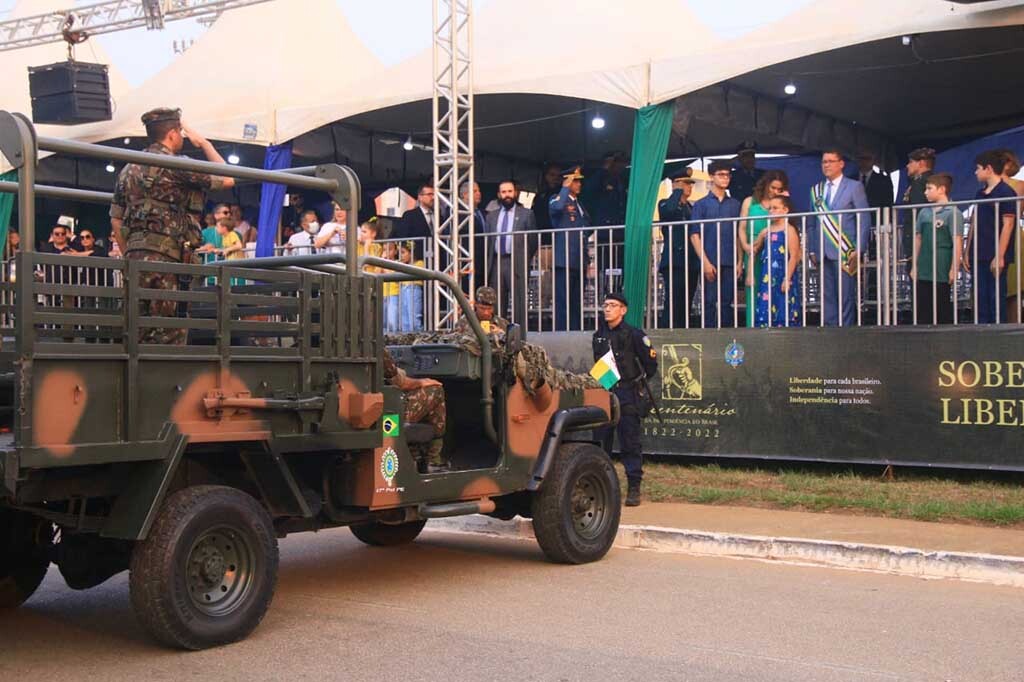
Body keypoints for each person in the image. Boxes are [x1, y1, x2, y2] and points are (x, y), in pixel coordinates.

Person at [109, 107, 234, 344]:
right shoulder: (177, 165)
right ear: (173, 134)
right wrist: (204, 143)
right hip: (167, 260)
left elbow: (116, 217)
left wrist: (130, 253)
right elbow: (228, 177)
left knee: (136, 332)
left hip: (134, 258)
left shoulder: (128, 169)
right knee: (169, 331)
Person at [592, 292, 657, 507]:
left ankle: (634, 488)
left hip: (629, 394)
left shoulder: (635, 335)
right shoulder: (598, 335)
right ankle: (602, 488)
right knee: (601, 442)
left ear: (623, 310)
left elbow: (651, 365)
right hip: (606, 392)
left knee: (630, 442)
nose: (607, 309)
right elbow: (599, 365)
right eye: (605, 305)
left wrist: (635, 383)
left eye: (613, 305)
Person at [807, 149, 870, 327]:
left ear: (841, 164)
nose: (826, 165)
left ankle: (846, 332)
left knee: (846, 295)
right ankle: (830, 332)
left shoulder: (854, 186)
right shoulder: (816, 190)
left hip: (846, 251)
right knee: (826, 297)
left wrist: (859, 248)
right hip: (821, 251)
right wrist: (812, 248)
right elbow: (811, 223)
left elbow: (864, 219)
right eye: (824, 162)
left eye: (830, 161)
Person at [964, 150, 1017, 324]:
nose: (975, 172)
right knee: (980, 300)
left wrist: (1000, 255)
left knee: (996, 299)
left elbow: (1008, 224)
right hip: (978, 252)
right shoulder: (980, 194)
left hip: (994, 254)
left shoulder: (1006, 192)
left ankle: (997, 342)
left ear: (988, 169)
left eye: (978, 168)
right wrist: (966, 251)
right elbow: (973, 223)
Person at [690, 160, 742, 328]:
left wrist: (740, 261)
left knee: (727, 302)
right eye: (721, 174)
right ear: (711, 177)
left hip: (729, 259)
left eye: (728, 175)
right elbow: (694, 235)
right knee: (709, 302)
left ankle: (727, 339)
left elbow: (739, 234)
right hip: (709, 259)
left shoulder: (735, 204)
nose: (725, 178)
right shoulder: (701, 204)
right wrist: (705, 262)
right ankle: (709, 340)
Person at [382, 348, 447, 472]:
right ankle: (432, 460)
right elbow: (399, 382)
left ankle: (413, 455)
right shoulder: (372, 343)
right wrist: (421, 382)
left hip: (367, 411)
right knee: (436, 389)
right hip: (387, 417)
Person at [911, 173, 962, 325]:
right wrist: (914, 265)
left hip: (941, 266)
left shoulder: (953, 212)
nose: (925, 192)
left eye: (929, 188)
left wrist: (954, 268)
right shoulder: (924, 212)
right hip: (924, 266)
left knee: (942, 306)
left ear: (942, 189)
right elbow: (918, 238)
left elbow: (957, 241)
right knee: (923, 307)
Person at [739, 170, 789, 327]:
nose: (775, 192)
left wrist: (786, 199)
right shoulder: (750, 202)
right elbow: (741, 228)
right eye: (773, 187)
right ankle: (752, 328)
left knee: (773, 292)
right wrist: (745, 247)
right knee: (752, 290)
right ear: (766, 184)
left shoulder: (781, 204)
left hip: (773, 252)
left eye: (779, 189)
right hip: (752, 251)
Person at [485, 180, 536, 323]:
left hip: (516, 261)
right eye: (503, 192)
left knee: (519, 302)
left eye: (509, 191)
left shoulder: (526, 214)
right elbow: (488, 243)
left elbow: (532, 241)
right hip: (497, 262)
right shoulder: (491, 216)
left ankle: (520, 336)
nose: (507, 195)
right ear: (499, 195)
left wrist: (523, 258)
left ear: (515, 193)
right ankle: (499, 336)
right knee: (497, 302)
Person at [549, 166, 590, 330]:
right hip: (564, 259)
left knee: (576, 300)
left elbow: (587, 223)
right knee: (563, 300)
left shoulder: (579, 205)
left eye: (579, 181)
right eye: (575, 181)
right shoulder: (556, 199)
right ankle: (561, 332)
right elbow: (557, 208)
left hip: (578, 259)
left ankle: (575, 330)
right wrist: (565, 188)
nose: (579, 184)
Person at [752, 194, 802, 328]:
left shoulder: (789, 229)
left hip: (783, 274)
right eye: (770, 208)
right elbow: (754, 248)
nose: (771, 211)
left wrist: (787, 278)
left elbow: (794, 256)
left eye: (775, 208)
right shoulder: (767, 230)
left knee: (784, 305)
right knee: (766, 305)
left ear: (785, 210)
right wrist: (760, 237)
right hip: (768, 275)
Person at [657, 167, 698, 328]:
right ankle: (668, 333)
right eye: (686, 184)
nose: (690, 187)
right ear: (677, 184)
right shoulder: (666, 203)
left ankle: (683, 332)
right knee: (673, 302)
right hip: (675, 261)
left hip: (691, 262)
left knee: (687, 302)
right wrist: (676, 192)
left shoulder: (691, 207)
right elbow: (669, 210)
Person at [996, 150, 1023, 323]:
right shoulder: (986, 186)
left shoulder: (1018, 185)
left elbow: (1015, 212)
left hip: (1012, 236)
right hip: (991, 236)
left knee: (1013, 290)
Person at [900, 148, 935, 261]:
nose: (907, 166)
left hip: (918, 239)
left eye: (911, 162)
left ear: (921, 163)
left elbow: (918, 212)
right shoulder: (922, 181)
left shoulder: (921, 183)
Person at [394, 183, 436, 260]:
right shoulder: (410, 216)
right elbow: (403, 237)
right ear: (420, 197)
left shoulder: (438, 216)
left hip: (437, 259)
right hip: (417, 259)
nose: (433, 197)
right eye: (429, 194)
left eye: (434, 194)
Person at [398, 241, 424, 332]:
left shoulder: (420, 263)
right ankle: (407, 339)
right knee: (404, 320)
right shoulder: (402, 265)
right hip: (403, 290)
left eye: (403, 252)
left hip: (413, 289)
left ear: (411, 253)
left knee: (414, 318)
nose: (401, 256)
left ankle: (419, 339)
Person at [382, 241, 401, 333]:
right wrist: (381, 260)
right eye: (384, 249)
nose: (387, 252)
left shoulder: (398, 263)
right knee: (383, 321)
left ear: (395, 251)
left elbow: (392, 275)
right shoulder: (380, 262)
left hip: (394, 294)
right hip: (382, 294)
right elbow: (375, 273)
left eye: (390, 249)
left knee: (392, 321)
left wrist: (384, 264)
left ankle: (395, 339)